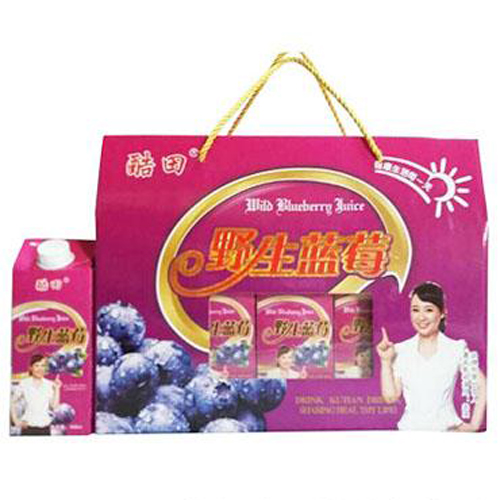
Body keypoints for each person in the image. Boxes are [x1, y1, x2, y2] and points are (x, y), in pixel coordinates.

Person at [377, 282, 486, 431]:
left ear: (442, 313)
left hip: (447, 432)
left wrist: (474, 425)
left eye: (428, 310)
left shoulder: (456, 348)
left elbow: (482, 385)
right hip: (409, 433)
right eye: (415, 310)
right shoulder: (400, 350)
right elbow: (390, 397)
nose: (421, 317)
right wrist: (385, 361)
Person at [10, 354, 62, 436]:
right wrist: (15, 420)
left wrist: (57, 389)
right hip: (28, 428)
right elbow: (11, 401)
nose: (40, 369)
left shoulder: (50, 384)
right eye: (36, 365)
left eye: (42, 365)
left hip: (45, 428)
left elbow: (54, 407)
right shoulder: (24, 383)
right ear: (31, 368)